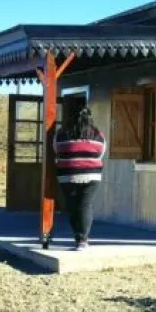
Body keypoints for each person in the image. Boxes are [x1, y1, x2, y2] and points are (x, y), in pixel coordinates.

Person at [52, 107, 106, 250]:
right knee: (85, 205)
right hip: (92, 174)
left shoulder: (61, 134)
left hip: (67, 174)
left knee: (73, 206)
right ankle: (82, 240)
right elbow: (101, 154)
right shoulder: (98, 135)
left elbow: (56, 151)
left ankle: (79, 237)